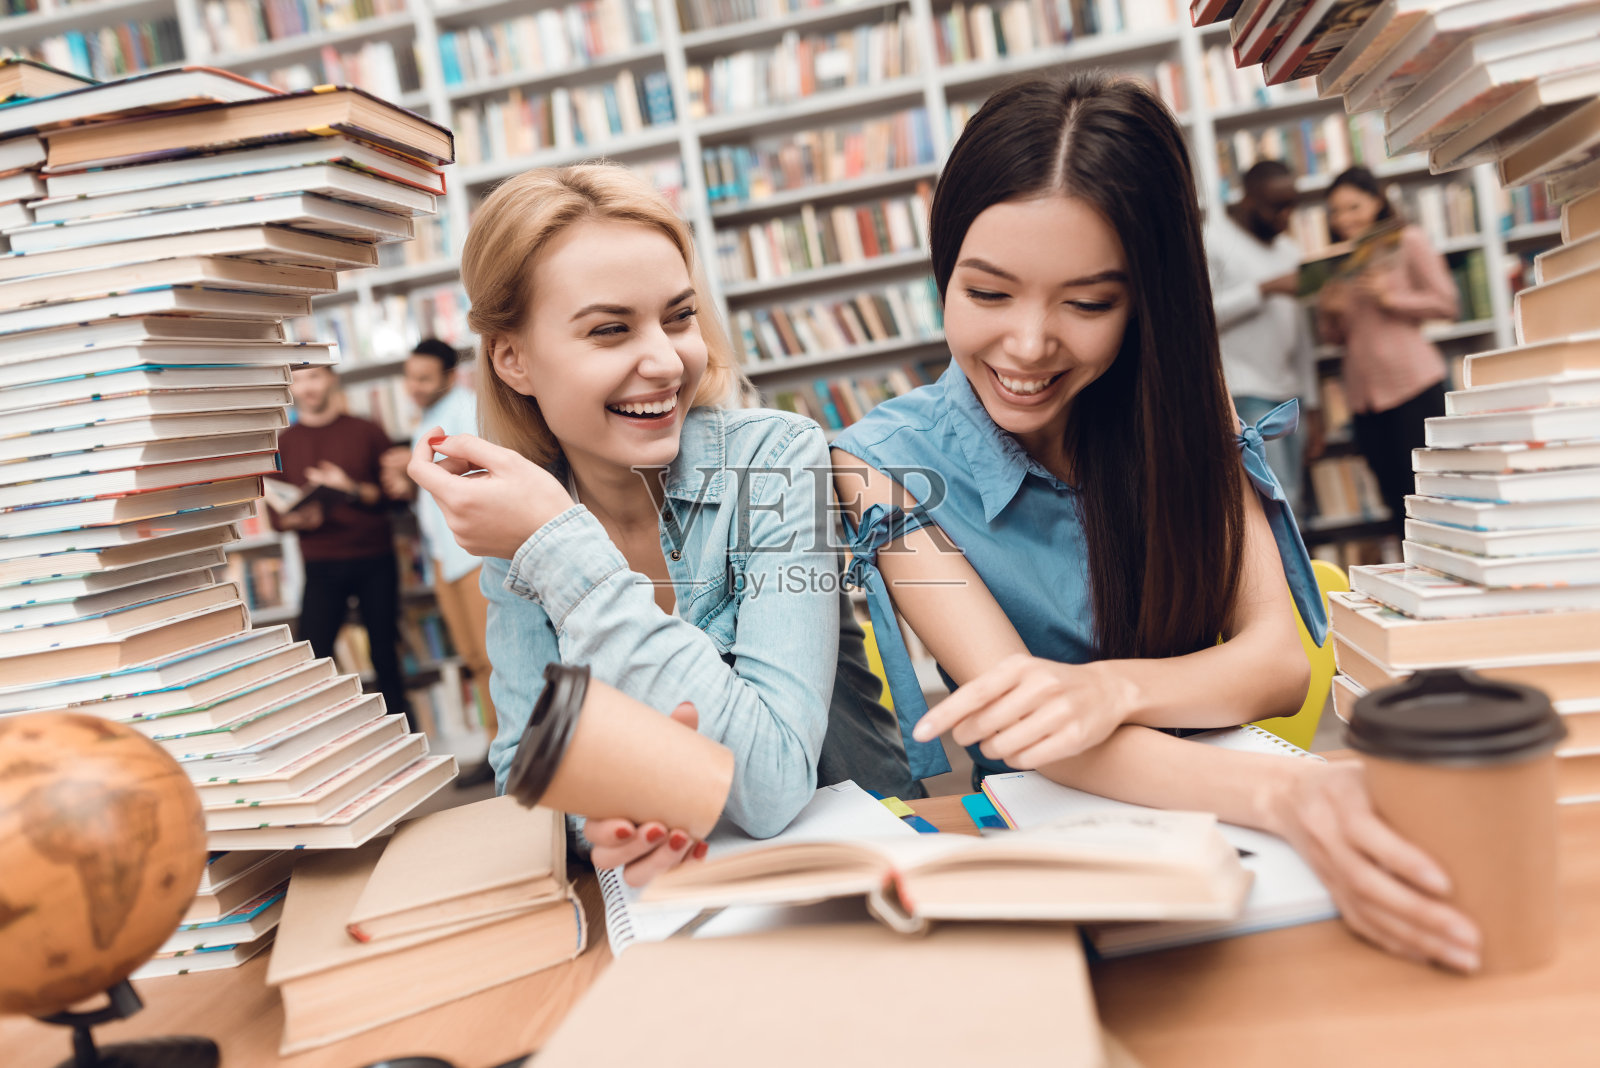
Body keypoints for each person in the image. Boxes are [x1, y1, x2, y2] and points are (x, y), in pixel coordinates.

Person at [830, 74, 1480, 972]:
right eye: (986, 294)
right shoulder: (879, 468)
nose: (1027, 345)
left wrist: (1115, 689)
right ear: (946, 272)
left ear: (1146, 299)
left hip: (1243, 833)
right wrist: (1283, 795)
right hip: (1065, 854)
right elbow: (1029, 728)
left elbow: (1277, 664)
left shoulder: (1183, 403)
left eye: (1089, 303)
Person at [406, 164, 913, 886]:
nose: (666, 360)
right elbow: (524, 778)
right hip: (673, 908)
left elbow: (771, 785)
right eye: (611, 330)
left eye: (679, 318)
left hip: (858, 876)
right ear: (513, 359)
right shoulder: (521, 522)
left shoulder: (775, 459)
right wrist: (601, 825)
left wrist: (565, 555)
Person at [380, 339, 498, 783]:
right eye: (410, 377)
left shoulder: (466, 411)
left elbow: (472, 473)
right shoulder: (427, 419)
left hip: (472, 555)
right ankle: (496, 741)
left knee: (492, 656)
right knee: (472, 656)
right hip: (442, 557)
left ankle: (508, 746)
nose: (414, 386)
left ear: (450, 377)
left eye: (425, 378)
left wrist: (414, 467)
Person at [1317, 166, 1458, 533]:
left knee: (1431, 499)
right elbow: (1334, 336)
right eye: (1335, 211)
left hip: (1414, 387)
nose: (1344, 219)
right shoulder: (1336, 261)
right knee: (1395, 507)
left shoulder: (1408, 240)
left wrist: (1390, 298)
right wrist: (1330, 315)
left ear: (1377, 202)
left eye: (1354, 207)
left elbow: (1447, 303)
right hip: (1364, 399)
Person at [271, 364, 413, 729]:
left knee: (386, 654)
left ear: (332, 378)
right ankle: (333, 739)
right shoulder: (283, 443)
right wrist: (296, 519)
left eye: (315, 376)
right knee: (314, 656)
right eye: (298, 379)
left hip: (375, 557)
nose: (307, 387)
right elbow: (278, 516)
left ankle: (406, 736)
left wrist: (348, 487)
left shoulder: (366, 430)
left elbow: (395, 499)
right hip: (320, 562)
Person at [1207, 158, 1320, 514]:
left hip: (1289, 394)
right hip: (1244, 392)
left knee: (1296, 500)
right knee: (1273, 501)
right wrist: (1265, 289)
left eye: (1292, 206)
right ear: (1248, 200)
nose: (1286, 217)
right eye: (1276, 207)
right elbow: (1200, 318)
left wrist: (1313, 401)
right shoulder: (1212, 241)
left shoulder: (1289, 250)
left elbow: (1301, 332)